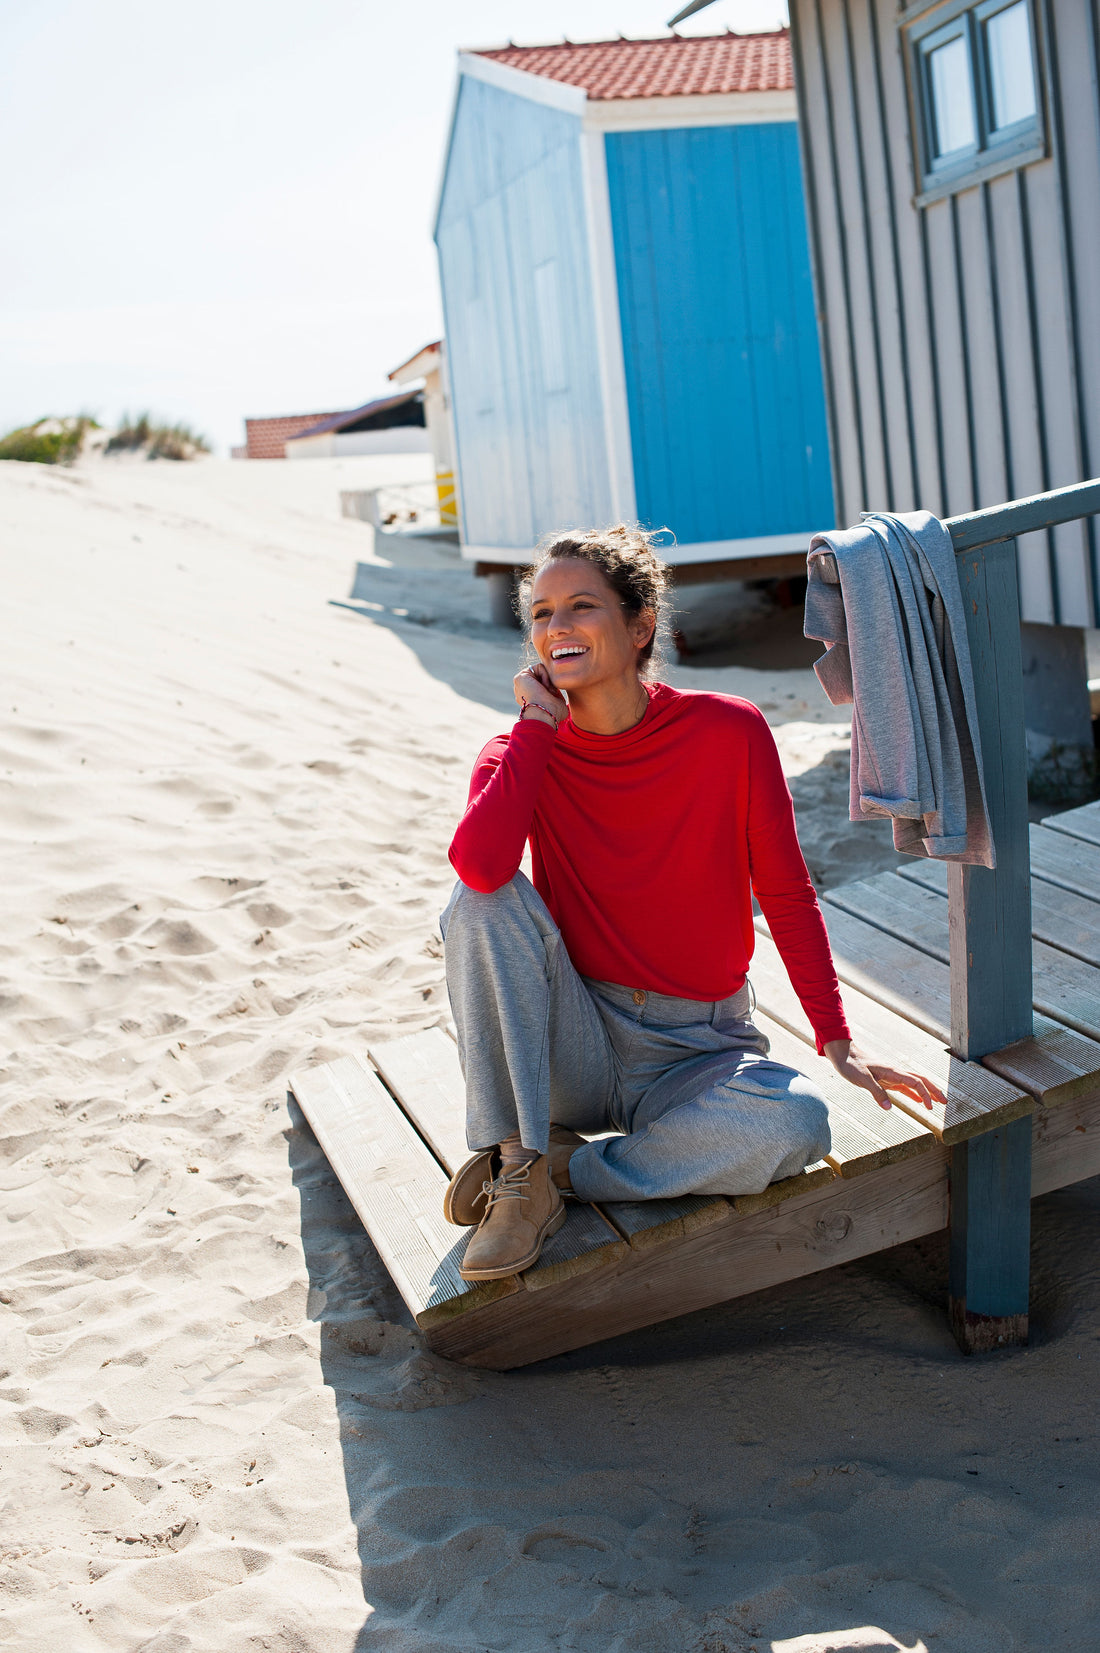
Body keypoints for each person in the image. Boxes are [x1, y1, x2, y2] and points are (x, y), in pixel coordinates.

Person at [441, 525, 944, 1282]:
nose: (556, 627)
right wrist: (538, 727)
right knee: (480, 901)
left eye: (581, 605)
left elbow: (786, 889)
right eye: (541, 613)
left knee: (796, 1122)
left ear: (641, 624)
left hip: (697, 1046)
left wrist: (838, 1039)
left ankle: (570, 1173)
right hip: (574, 1033)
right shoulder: (519, 752)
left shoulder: (727, 730)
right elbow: (480, 868)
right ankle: (518, 1166)